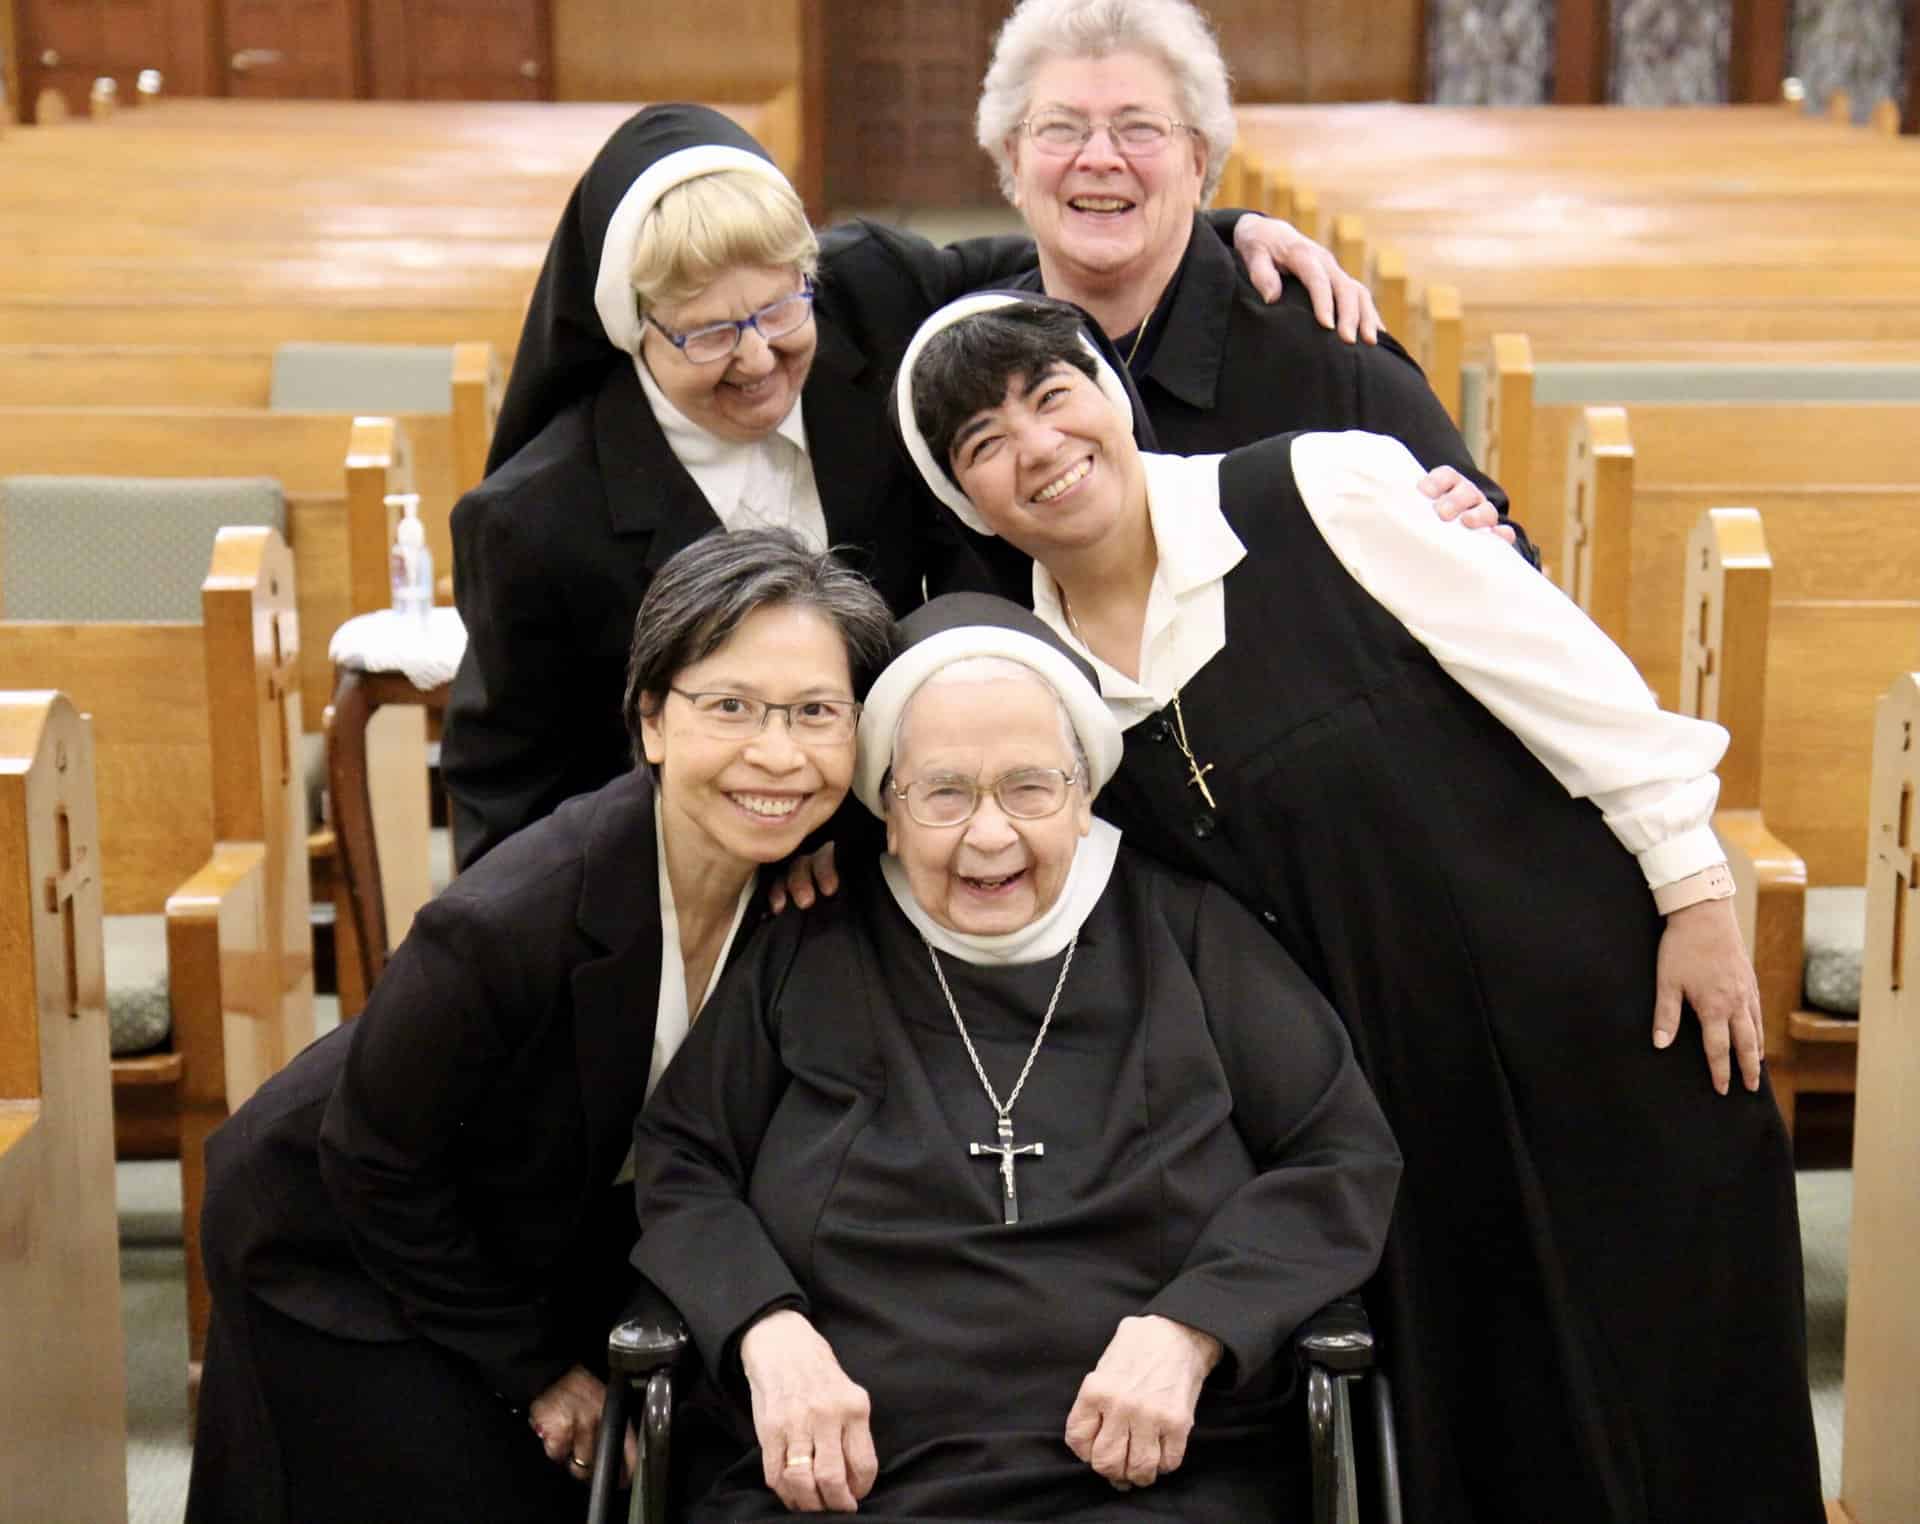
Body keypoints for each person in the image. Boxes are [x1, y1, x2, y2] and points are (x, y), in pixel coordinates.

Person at [891, 293, 1826, 1524]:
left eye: (1051, 395)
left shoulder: (1320, 491)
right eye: (983, 443)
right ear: (966, 498)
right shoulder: (1055, 685)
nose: (1038, 447)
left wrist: (1696, 891)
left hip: (1592, 1001)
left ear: (1110, 393)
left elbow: (1569, 678)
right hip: (1387, 1098)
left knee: (1683, 1368)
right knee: (1496, 1417)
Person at [632, 598, 1400, 1520]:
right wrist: (767, 1332)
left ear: (1083, 797)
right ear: (887, 807)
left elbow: (1339, 1154)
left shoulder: (1188, 933)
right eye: (944, 793)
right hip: (841, 1474)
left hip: (1155, 1467)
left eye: (1030, 788)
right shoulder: (812, 941)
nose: (989, 836)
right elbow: (684, 1161)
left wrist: (1195, 1329)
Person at [185, 530, 895, 1524]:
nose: (777, 753)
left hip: (532, 1223)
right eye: (729, 707)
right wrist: (536, 1372)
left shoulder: (800, 872)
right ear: (651, 720)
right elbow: (374, 1164)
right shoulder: (510, 919)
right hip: (344, 1242)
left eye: (817, 713)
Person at [441, 103, 1354, 871]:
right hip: (698, 880)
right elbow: (508, 798)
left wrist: (1226, 235)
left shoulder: (867, 291)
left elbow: (1049, 267)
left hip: (928, 841)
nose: (758, 360)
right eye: (709, 335)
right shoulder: (534, 519)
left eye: (777, 309)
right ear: (631, 329)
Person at [964, 0, 1519, 589]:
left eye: (1139, 128)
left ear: (1198, 160)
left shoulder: (1325, 349)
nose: (1099, 157)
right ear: (1012, 159)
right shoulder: (968, 364)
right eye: (1060, 128)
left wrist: (1479, 544)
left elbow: (1504, 571)